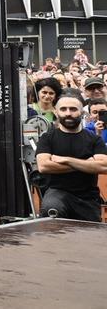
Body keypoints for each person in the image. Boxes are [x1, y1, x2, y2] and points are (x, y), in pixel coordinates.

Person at [36, 90, 107, 222]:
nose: (68, 113)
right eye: (63, 109)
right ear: (57, 112)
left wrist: (66, 160)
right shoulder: (47, 138)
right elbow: (44, 166)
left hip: (88, 198)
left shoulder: (94, 140)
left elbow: (103, 166)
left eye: (73, 109)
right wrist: (87, 163)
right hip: (57, 193)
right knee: (51, 210)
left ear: (81, 112)